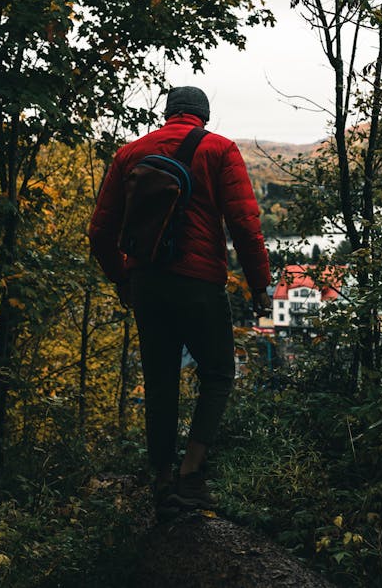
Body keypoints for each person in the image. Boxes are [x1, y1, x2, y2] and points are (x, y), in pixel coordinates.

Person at [89, 86, 271, 511]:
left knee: (160, 379)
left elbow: (100, 232)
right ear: (204, 116)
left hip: (147, 283)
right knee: (219, 372)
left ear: (168, 113)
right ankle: (191, 473)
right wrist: (259, 284)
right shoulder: (220, 150)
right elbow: (245, 225)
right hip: (199, 283)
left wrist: (122, 279)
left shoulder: (130, 153)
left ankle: (162, 479)